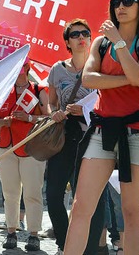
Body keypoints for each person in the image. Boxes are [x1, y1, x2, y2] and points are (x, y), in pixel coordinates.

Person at [65, 0, 139, 254]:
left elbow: (135, 74)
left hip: (137, 133)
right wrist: (136, 80)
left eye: (128, 1)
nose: (121, 6)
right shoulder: (100, 42)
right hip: (102, 130)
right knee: (81, 206)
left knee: (131, 212)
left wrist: (121, 45)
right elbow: (88, 78)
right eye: (116, 2)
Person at [46, 18, 107, 254]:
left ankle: (91, 249)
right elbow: (50, 104)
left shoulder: (100, 67)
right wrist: (56, 114)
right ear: (67, 42)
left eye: (85, 33)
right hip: (63, 136)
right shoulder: (57, 70)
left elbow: (109, 101)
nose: (81, 37)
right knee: (53, 195)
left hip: (92, 135)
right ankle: (65, 244)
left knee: (91, 199)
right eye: (75, 34)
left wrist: (86, 110)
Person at [0, 55, 50, 252]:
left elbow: (48, 118)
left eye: (22, 65)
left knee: (33, 192)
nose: (19, 69)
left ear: (28, 67)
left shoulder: (38, 89)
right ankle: (11, 231)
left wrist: (29, 117)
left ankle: (34, 234)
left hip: (31, 147)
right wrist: (1, 122)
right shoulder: (3, 89)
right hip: (6, 146)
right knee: (9, 193)